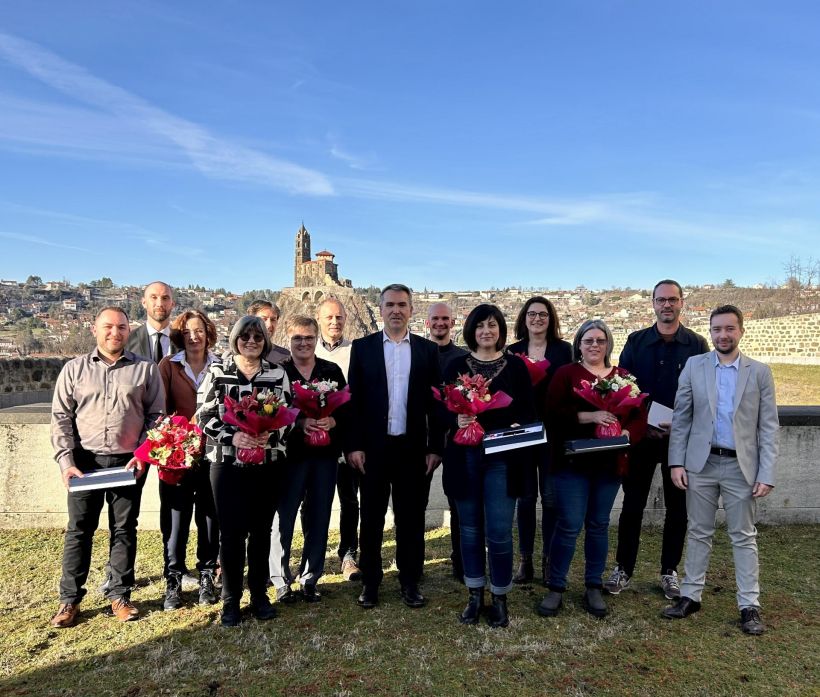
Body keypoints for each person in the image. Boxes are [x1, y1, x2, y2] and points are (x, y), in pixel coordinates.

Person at [662, 305, 778, 635]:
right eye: (717, 329)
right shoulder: (694, 367)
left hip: (741, 467)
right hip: (701, 464)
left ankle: (749, 605)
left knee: (743, 536)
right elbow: (682, 417)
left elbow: (768, 427)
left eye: (729, 328)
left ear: (741, 331)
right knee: (698, 531)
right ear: (710, 332)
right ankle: (690, 595)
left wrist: (766, 472)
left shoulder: (759, 373)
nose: (723, 335)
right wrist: (676, 462)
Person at [49, 307, 165, 628]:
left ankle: (119, 595)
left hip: (128, 462)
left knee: (124, 529)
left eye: (122, 327)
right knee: (79, 530)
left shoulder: (146, 370)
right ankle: (69, 601)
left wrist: (144, 453)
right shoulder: (73, 370)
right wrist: (66, 461)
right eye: (108, 327)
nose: (115, 333)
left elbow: (157, 416)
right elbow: (61, 419)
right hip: (83, 463)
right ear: (95, 330)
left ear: (129, 331)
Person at [606, 280, 709, 599]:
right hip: (641, 437)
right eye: (661, 300)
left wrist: (681, 425)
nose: (667, 305)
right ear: (652, 303)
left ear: (682, 303)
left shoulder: (696, 344)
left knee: (678, 508)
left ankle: (669, 571)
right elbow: (622, 389)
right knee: (632, 505)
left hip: (681, 440)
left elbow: (705, 393)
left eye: (673, 300)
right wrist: (643, 422)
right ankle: (623, 568)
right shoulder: (636, 342)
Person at [538, 319, 646, 619]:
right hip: (573, 463)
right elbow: (552, 414)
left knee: (598, 525)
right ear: (579, 345)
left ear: (608, 344)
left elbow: (639, 416)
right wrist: (589, 416)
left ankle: (593, 585)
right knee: (569, 525)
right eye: (589, 340)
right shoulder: (566, 374)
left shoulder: (623, 377)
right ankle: (556, 586)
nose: (595, 345)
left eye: (600, 340)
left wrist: (627, 434)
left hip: (609, 464)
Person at [345, 284, 444, 609]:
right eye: (390, 304)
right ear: (381, 309)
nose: (396, 310)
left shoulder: (428, 351)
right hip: (373, 450)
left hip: (413, 450)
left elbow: (436, 405)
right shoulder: (363, 348)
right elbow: (353, 404)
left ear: (411, 310)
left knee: (411, 519)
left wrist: (434, 448)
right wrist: (354, 446)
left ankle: (410, 582)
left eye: (402, 304)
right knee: (371, 520)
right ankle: (371, 584)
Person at [443, 304, 536, 627]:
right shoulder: (455, 366)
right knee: (469, 530)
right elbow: (439, 410)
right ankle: (474, 595)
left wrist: (513, 424)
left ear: (501, 330)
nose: (486, 331)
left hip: (503, 460)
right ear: (471, 329)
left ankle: (500, 597)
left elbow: (528, 412)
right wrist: (456, 417)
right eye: (480, 325)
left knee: (498, 531)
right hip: (464, 457)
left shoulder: (516, 368)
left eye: (493, 325)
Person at [197, 315, 292, 627]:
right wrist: (231, 435)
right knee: (232, 534)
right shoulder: (217, 371)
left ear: (265, 341)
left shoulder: (277, 374)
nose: (251, 341)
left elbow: (288, 416)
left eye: (258, 337)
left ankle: (259, 596)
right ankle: (230, 600)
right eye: (245, 336)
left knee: (262, 532)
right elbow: (204, 416)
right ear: (234, 338)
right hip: (227, 464)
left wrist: (271, 435)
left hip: (267, 463)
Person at [269, 316, 348, 603]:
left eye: (309, 338)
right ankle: (280, 580)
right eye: (297, 338)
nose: (303, 343)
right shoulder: (278, 372)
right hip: (290, 458)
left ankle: (310, 577)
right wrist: (300, 423)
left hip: (325, 457)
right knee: (283, 519)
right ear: (288, 340)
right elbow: (269, 411)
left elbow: (347, 409)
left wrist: (332, 422)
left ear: (317, 339)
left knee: (319, 517)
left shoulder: (331, 370)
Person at [507, 296, 573, 585]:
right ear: (524, 318)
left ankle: (548, 559)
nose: (537, 319)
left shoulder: (563, 350)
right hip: (522, 432)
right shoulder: (512, 351)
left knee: (550, 498)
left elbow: (569, 388)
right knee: (525, 498)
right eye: (532, 314)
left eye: (543, 315)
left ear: (551, 319)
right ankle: (526, 561)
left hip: (553, 432)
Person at [157, 310, 220, 610]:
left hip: (211, 454)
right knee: (176, 519)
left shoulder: (220, 366)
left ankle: (207, 575)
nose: (194, 337)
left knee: (209, 517)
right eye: (187, 332)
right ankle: (173, 580)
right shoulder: (168, 366)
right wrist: (179, 433)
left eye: (199, 330)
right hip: (177, 456)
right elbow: (158, 410)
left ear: (208, 333)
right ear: (179, 336)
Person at [313, 297, 360, 582]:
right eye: (329, 317)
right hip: (314, 442)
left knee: (349, 500)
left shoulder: (357, 352)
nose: (334, 322)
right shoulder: (308, 351)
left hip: (346, 439)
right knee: (313, 502)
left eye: (339, 317)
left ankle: (348, 553)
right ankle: (313, 554)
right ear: (319, 319)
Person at [426, 302, 468, 581]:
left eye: (445, 319)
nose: (440, 323)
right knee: (414, 502)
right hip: (422, 438)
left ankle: (461, 562)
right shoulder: (417, 353)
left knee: (458, 504)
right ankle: (413, 563)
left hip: (455, 438)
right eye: (435, 319)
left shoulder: (463, 358)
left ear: (452, 323)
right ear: (427, 323)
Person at [125, 281, 180, 361]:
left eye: (165, 298)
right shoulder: (128, 340)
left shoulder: (183, 341)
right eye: (154, 297)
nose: (159, 304)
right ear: (144, 302)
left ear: (172, 304)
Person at [248, 300, 290, 364]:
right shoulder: (239, 353)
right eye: (264, 319)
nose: (269, 325)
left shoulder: (284, 357)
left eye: (273, 320)